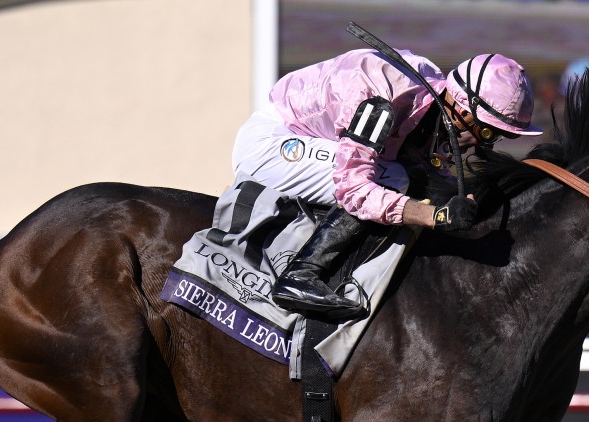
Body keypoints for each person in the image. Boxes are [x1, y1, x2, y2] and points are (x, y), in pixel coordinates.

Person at [230, 48, 543, 322]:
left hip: (312, 138)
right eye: (488, 133)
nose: (485, 143)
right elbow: (353, 189)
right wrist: (433, 217)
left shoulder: (429, 101)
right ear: (462, 112)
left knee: (406, 176)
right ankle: (301, 275)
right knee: (392, 177)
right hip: (272, 145)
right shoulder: (382, 98)